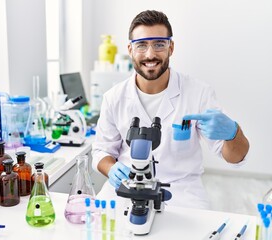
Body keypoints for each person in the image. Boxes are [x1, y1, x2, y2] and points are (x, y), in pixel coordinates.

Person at [91, 10, 250, 209]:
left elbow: (235, 157)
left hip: (181, 192)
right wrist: (112, 168)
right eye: (141, 45)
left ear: (171, 47)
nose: (150, 54)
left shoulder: (198, 93)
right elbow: (101, 151)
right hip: (128, 187)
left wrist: (233, 133)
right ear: (130, 49)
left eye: (159, 44)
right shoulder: (114, 97)